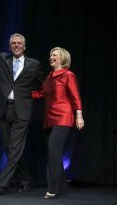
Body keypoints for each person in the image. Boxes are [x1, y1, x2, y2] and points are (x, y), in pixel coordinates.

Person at [0, 9, 45, 196]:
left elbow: (45, 87)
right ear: (10, 45)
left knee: (14, 150)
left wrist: (34, 96)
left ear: (24, 46)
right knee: (9, 149)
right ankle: (26, 179)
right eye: (13, 43)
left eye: (19, 43)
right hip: (3, 109)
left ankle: (2, 185)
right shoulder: (2, 59)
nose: (16, 45)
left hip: (22, 112)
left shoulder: (34, 65)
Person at [32, 47, 84, 199]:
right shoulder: (49, 77)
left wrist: (79, 116)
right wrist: (21, 94)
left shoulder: (68, 75)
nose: (51, 57)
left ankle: (53, 189)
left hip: (63, 117)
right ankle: (62, 188)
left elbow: (75, 97)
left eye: (54, 55)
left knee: (54, 152)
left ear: (63, 58)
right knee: (53, 153)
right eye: (50, 55)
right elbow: (40, 93)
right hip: (49, 120)